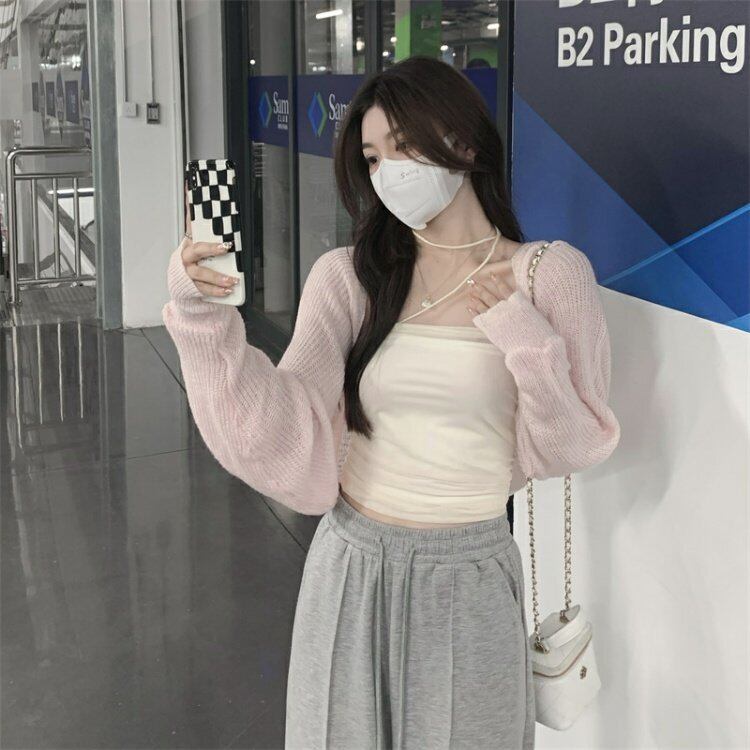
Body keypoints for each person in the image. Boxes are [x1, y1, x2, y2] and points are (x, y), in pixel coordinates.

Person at [162, 55, 621, 750]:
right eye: (374, 158)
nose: (387, 173)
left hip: (471, 573)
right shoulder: (350, 278)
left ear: (465, 143)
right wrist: (201, 314)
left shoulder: (548, 275)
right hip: (351, 566)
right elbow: (277, 426)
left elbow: (573, 446)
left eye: (403, 146)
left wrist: (526, 340)